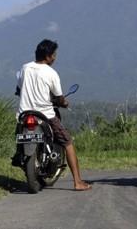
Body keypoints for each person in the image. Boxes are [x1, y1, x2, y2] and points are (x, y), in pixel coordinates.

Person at [13, 39, 92, 191]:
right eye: (54, 55)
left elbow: (18, 90)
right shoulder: (51, 73)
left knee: (19, 134)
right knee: (67, 142)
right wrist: (64, 103)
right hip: (46, 115)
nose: (55, 58)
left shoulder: (25, 68)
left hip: (25, 113)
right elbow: (59, 97)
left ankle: (18, 155)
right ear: (48, 56)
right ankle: (77, 182)